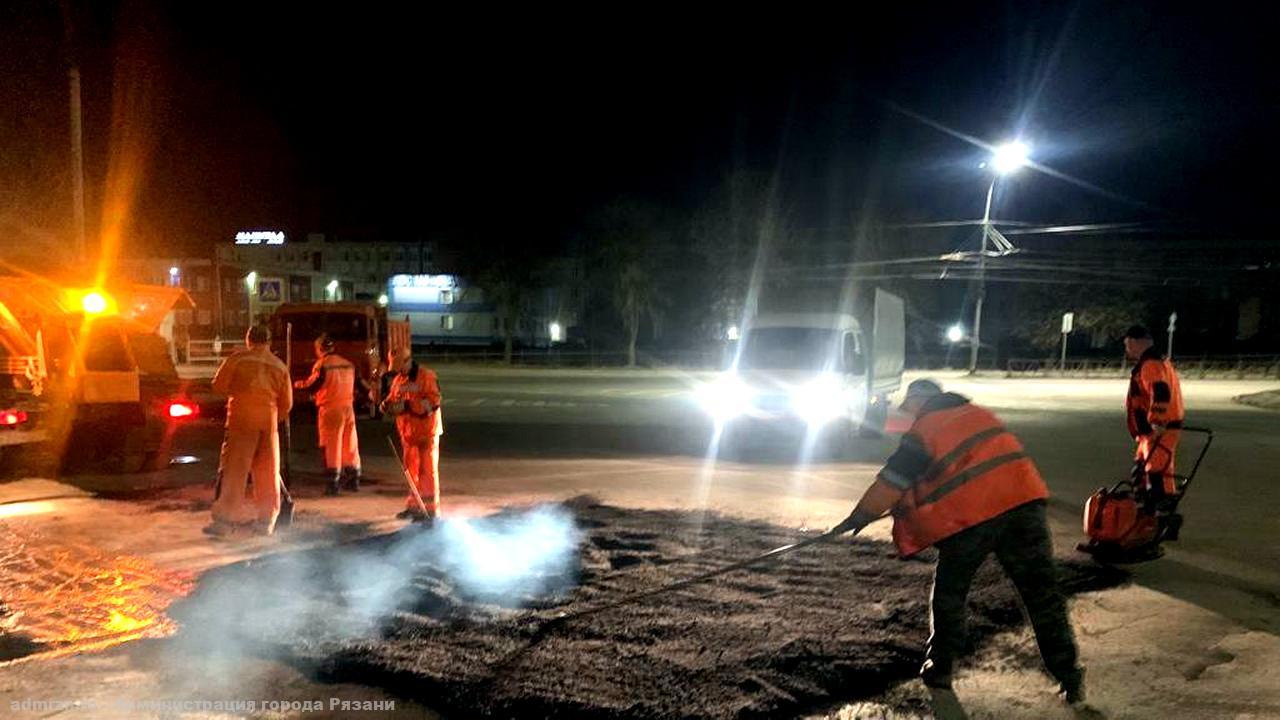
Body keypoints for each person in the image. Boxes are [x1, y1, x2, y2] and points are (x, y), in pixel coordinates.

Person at [833, 379, 1084, 716]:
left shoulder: (926, 429)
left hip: (975, 518)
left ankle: (940, 669)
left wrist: (859, 516)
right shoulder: (978, 414)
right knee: (1042, 595)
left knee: (950, 593)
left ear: (922, 404)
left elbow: (893, 480)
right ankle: (1069, 675)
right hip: (1025, 506)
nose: (910, 417)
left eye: (911, 410)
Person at [207, 324, 292, 537]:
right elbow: (287, 403)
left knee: (235, 472)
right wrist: (273, 418)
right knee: (267, 471)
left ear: (249, 340)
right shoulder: (279, 366)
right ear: (269, 342)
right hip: (268, 423)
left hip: (241, 422)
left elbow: (218, 386)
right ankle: (266, 522)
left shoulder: (237, 360)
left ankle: (225, 522)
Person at [294, 333, 368, 495]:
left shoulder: (323, 365)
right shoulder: (348, 364)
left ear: (319, 349)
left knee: (331, 445)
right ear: (333, 347)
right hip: (348, 409)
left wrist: (296, 384)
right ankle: (353, 479)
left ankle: (332, 483)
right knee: (350, 444)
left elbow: (312, 386)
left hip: (330, 409)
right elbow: (363, 387)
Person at [1123, 325, 1185, 512]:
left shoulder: (1151, 364)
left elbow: (1160, 392)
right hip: (1149, 431)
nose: (1126, 349)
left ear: (1134, 342)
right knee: (1143, 469)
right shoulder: (1159, 361)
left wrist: (1156, 421)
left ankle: (1161, 511)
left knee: (1156, 471)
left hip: (1159, 428)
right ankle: (1147, 507)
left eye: (1127, 345)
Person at [380, 347, 442, 521]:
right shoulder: (399, 379)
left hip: (426, 433)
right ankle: (414, 506)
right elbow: (393, 398)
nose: (398, 370)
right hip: (408, 434)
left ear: (408, 361)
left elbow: (434, 402)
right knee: (411, 472)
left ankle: (430, 510)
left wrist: (409, 406)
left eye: (400, 365)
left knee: (427, 472)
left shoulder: (427, 376)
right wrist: (385, 405)